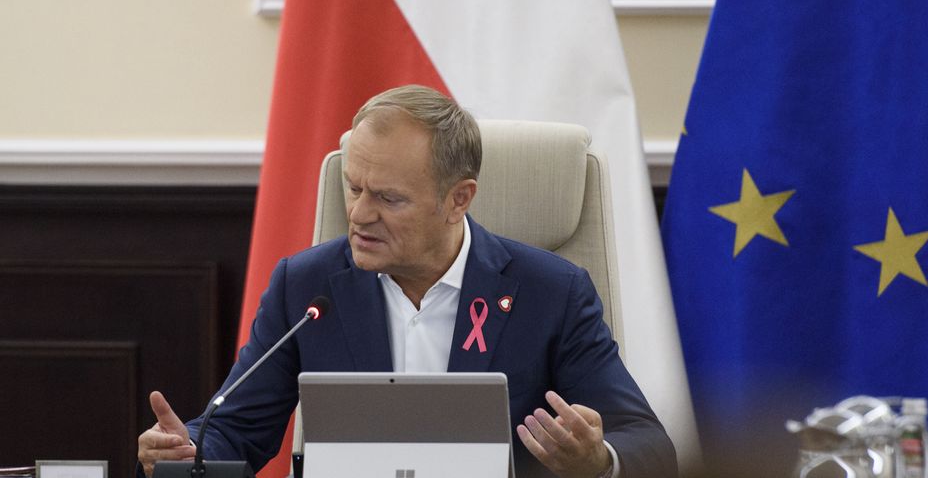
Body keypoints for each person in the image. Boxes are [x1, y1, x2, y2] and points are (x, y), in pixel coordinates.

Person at [137, 85, 677, 478]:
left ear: (458, 199)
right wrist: (187, 455)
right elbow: (235, 431)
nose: (359, 215)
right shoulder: (306, 288)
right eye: (354, 189)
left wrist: (597, 461)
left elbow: (649, 443)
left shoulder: (550, 292)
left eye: (389, 198)